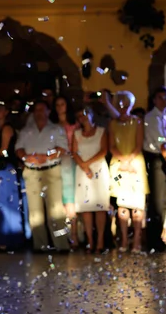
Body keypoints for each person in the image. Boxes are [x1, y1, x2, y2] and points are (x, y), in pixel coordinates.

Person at [15, 100, 70, 252]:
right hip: (32, 172)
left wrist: (46, 156)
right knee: (35, 211)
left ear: (48, 111)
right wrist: (27, 157)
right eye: (36, 110)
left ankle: (61, 245)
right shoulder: (27, 130)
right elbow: (18, 148)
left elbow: (62, 149)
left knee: (56, 210)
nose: (39, 112)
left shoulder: (56, 129)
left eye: (42, 109)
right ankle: (40, 245)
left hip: (51, 170)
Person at [108, 91, 149, 253]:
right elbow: (112, 146)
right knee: (123, 206)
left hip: (135, 164)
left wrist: (129, 161)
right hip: (119, 164)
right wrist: (123, 162)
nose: (123, 107)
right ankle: (124, 240)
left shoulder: (137, 122)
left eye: (126, 104)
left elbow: (138, 145)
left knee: (137, 206)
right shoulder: (112, 124)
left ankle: (137, 241)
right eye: (119, 104)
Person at [0, 101, 29, 249]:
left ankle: (11, 239)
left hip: (6, 170)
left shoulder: (7, 128)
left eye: (0, 109)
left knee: (7, 203)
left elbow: (4, 150)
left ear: (6, 112)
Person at [143, 86, 166, 247]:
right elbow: (161, 144)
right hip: (156, 158)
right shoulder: (152, 118)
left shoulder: (165, 117)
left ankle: (157, 238)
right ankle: (153, 240)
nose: (164, 100)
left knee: (164, 197)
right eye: (160, 97)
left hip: (163, 157)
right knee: (158, 200)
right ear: (154, 100)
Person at [71, 106, 110, 253]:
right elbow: (74, 152)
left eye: (84, 114)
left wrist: (88, 164)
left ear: (92, 115)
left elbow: (103, 150)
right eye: (79, 115)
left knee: (99, 207)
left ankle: (100, 240)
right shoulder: (77, 133)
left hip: (98, 169)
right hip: (82, 171)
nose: (82, 117)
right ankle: (90, 241)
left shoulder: (101, 131)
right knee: (86, 208)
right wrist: (84, 166)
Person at [50, 95, 79, 248]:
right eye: (57, 104)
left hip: (69, 161)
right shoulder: (51, 125)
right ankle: (61, 236)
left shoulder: (74, 124)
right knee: (57, 200)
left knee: (69, 199)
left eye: (63, 104)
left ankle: (73, 234)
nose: (60, 107)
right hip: (54, 162)